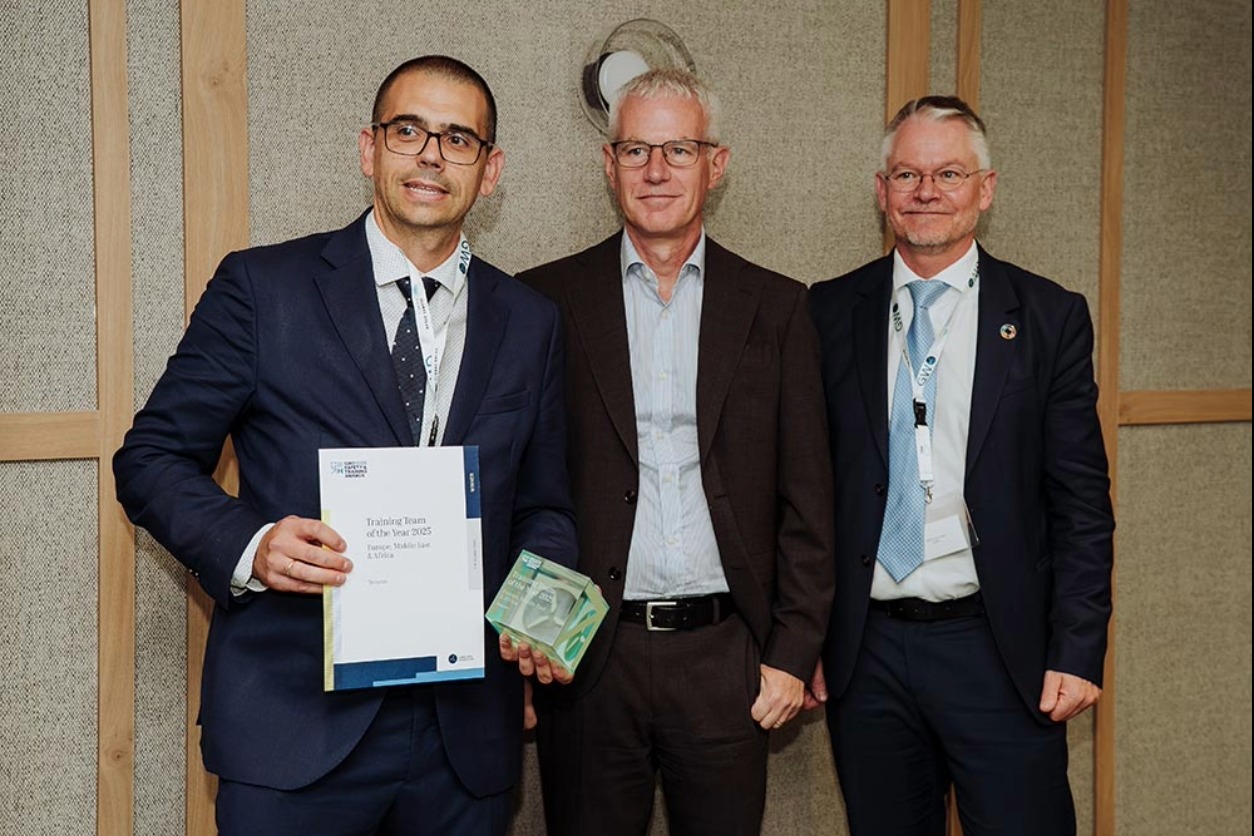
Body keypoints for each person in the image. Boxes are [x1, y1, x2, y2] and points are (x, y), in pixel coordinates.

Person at [113, 55, 576, 835]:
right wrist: (251, 544)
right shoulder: (264, 289)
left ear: (489, 172)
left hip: (463, 737)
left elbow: (544, 503)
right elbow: (150, 457)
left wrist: (540, 611)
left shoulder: (532, 321)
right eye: (409, 131)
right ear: (370, 150)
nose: (431, 154)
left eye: (458, 139)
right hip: (293, 729)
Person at [514, 69, 835, 836]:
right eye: (636, 150)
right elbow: (521, 483)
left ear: (714, 164)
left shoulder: (779, 307)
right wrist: (526, 644)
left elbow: (810, 502)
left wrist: (793, 652)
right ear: (608, 163)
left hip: (727, 659)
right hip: (586, 654)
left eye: (678, 150)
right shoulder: (542, 303)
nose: (656, 171)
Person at [808, 95, 1115, 835]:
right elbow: (804, 494)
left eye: (949, 173)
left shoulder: (1047, 316)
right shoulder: (824, 311)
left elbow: (1080, 502)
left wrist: (1078, 647)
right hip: (867, 653)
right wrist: (804, 638)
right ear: (881, 192)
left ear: (986, 188)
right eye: (907, 174)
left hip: (998, 648)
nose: (926, 191)